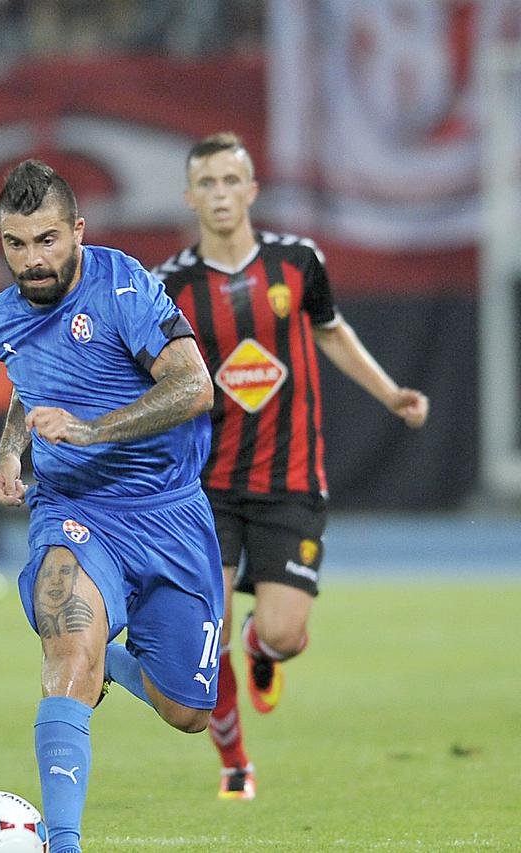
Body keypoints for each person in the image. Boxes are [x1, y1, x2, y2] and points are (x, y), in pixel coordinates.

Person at [152, 132, 429, 800]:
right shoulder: (169, 285)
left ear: (252, 189)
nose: (220, 194)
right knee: (202, 634)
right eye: (207, 183)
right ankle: (235, 765)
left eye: (231, 180)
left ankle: (263, 647)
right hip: (205, 487)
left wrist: (390, 390)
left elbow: (332, 331)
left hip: (290, 479)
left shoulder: (298, 262)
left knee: (282, 630)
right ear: (190, 197)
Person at [0, 159, 222, 853]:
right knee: (67, 644)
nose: (33, 260)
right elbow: (34, 385)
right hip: (75, 509)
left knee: (187, 711)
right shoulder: (1, 318)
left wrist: (90, 429)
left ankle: (114, 664)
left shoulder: (125, 289)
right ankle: (64, 842)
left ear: (78, 230)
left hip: (169, 511)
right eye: (17, 244)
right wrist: (10, 451)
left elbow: (193, 387)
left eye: (48, 240)